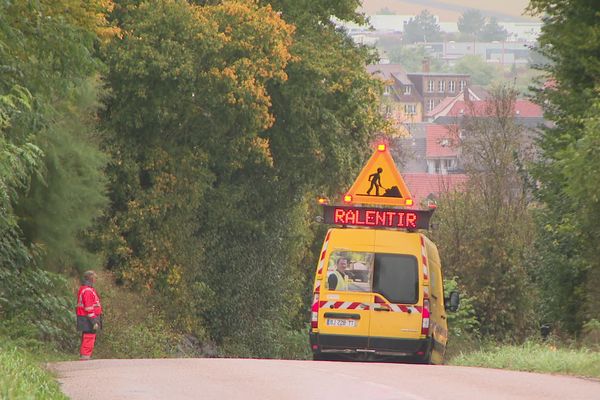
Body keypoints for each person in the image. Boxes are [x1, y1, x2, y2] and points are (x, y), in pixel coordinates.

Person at [76, 270, 103, 360]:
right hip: (87, 317)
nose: (95, 279)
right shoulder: (87, 290)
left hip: (86, 317)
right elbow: (88, 307)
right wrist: (94, 321)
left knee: (89, 335)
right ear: (91, 278)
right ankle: (85, 356)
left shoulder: (87, 289)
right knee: (89, 336)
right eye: (94, 277)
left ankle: (86, 356)